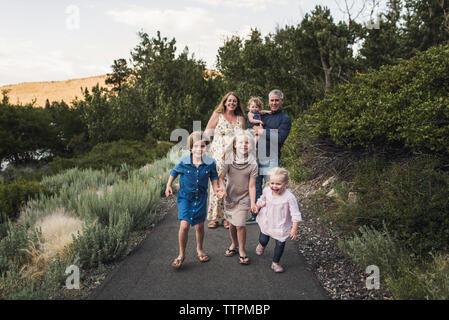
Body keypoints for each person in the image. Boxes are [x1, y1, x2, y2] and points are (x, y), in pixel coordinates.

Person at [165, 131, 224, 269]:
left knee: (199, 226)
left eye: (202, 146)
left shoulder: (210, 163)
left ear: (206, 147)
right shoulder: (184, 161)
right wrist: (168, 185)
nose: (199, 149)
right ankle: (181, 254)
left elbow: (214, 177)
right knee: (184, 226)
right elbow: (174, 172)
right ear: (191, 148)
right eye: (196, 146)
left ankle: (200, 249)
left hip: (201, 198)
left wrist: (216, 190)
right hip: (185, 198)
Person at [248, 89, 291, 224]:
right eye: (272, 100)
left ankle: (272, 217)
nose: (274, 103)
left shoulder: (285, 119)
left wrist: (262, 131)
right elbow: (250, 126)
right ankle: (256, 216)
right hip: (255, 156)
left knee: (271, 188)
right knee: (255, 187)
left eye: (277, 100)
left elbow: (280, 137)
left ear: (282, 101)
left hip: (271, 156)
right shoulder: (263, 116)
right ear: (268, 101)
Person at [204, 92, 246, 229]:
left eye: (234, 101)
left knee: (230, 185)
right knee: (217, 183)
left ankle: (227, 217)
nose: (232, 103)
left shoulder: (240, 118)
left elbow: (244, 137)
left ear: (237, 103)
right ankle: (215, 217)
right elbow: (207, 133)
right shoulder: (218, 115)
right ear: (225, 102)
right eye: (229, 101)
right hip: (218, 154)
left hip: (234, 156)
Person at [219, 131, 258, 265]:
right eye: (241, 142)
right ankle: (234, 243)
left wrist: (253, 202)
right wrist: (222, 189)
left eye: (247, 142)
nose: (244, 145)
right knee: (231, 223)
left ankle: (241, 249)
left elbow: (252, 186)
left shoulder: (253, 164)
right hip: (229, 196)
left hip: (244, 197)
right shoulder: (229, 159)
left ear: (251, 145)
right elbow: (221, 177)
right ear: (235, 144)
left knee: (240, 225)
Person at [254, 167, 302, 273]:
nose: (274, 186)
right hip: (267, 221)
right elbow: (262, 200)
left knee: (280, 244)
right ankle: (262, 245)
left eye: (278, 184)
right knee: (263, 239)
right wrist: (257, 206)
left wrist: (294, 229)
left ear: (286, 184)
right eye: (272, 183)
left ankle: (275, 263)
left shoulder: (289, 197)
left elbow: (295, 213)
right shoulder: (267, 191)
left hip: (281, 224)